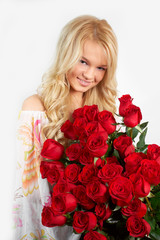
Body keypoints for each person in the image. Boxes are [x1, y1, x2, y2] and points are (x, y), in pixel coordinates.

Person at [12, 15, 118, 239]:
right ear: (65, 55)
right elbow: (27, 192)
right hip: (47, 228)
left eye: (101, 68)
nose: (90, 75)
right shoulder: (36, 108)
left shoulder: (102, 111)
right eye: (83, 62)